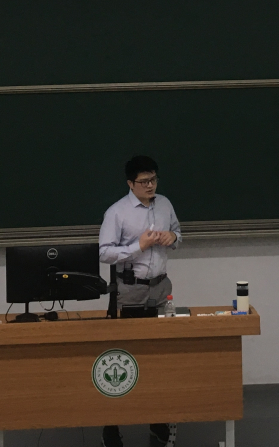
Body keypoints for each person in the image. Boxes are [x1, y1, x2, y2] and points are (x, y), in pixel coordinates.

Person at [98, 155, 182, 447]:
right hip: (130, 291)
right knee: (123, 358)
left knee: (158, 357)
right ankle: (111, 426)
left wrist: (173, 237)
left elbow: (178, 233)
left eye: (153, 179)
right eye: (144, 181)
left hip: (160, 289)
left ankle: (157, 420)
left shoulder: (165, 204)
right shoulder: (117, 212)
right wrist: (139, 246)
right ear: (130, 183)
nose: (150, 185)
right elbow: (105, 252)